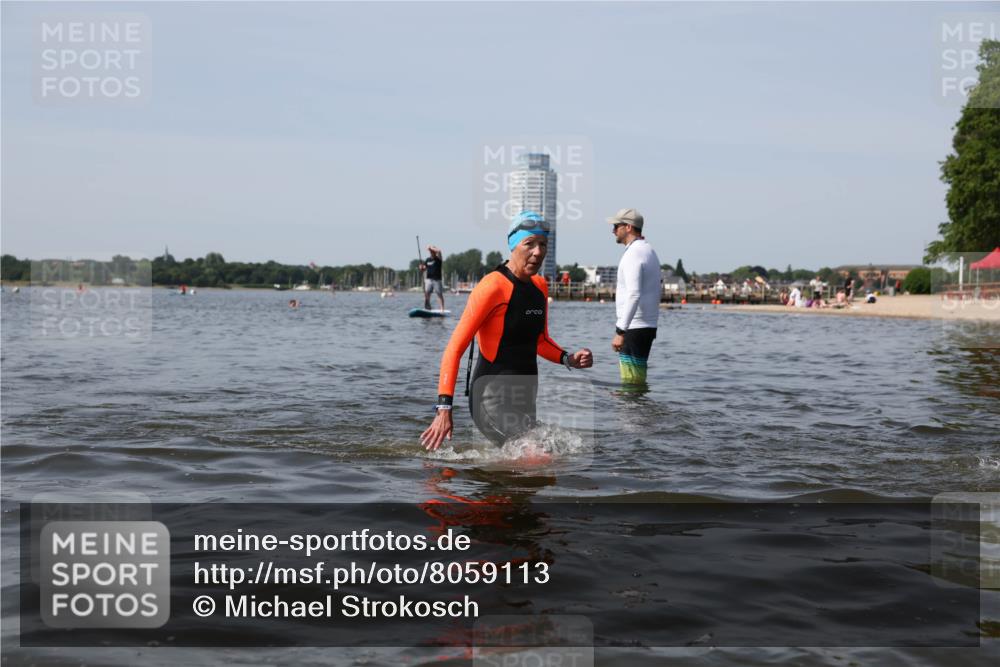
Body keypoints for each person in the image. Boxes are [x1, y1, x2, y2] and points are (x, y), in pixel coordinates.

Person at [421, 211, 593, 451]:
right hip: (491, 398)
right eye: (529, 244)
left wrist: (567, 358)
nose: (538, 252)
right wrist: (444, 408)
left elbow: (540, 340)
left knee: (545, 459)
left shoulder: (539, 286)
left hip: (525, 396)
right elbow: (454, 349)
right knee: (537, 456)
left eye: (543, 244)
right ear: (513, 245)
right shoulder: (492, 287)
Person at [608, 208, 661, 386]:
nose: (613, 231)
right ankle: (640, 404)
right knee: (637, 379)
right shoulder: (648, 250)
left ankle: (632, 405)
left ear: (629, 227)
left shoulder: (634, 253)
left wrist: (620, 331)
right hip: (646, 326)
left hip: (634, 327)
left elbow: (634, 293)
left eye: (616, 226)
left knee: (630, 383)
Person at [421, 245, 445, 311]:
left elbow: (439, 251)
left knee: (439, 294)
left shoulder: (438, 259)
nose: (431, 252)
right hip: (429, 279)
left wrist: (430, 248)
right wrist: (421, 268)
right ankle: (428, 307)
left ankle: (442, 309)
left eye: (433, 251)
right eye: (431, 251)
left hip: (437, 279)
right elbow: (424, 268)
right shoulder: (428, 260)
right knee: (427, 293)